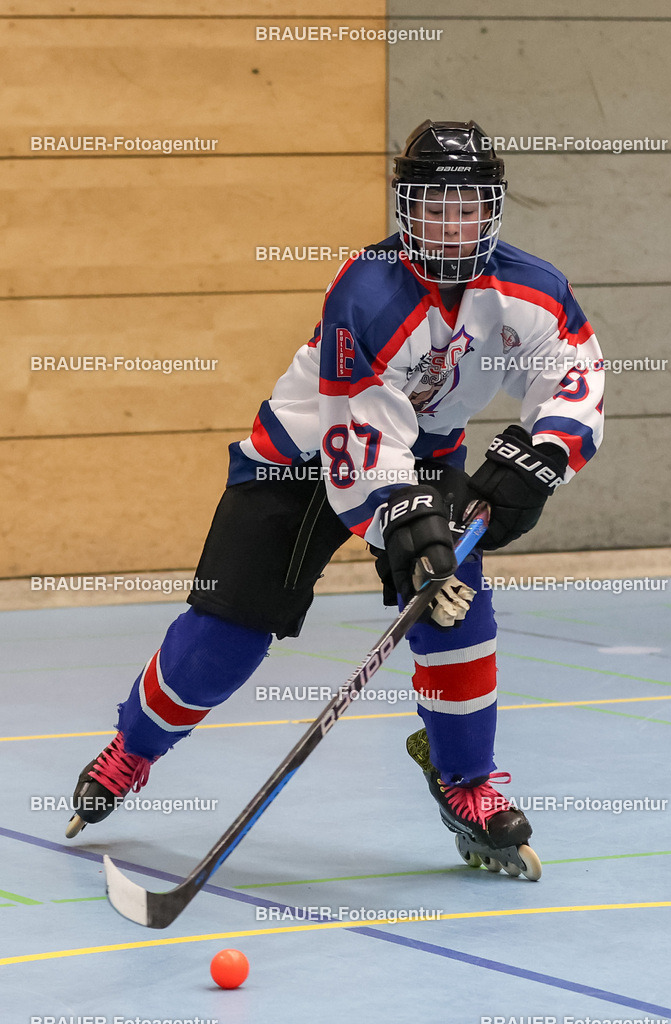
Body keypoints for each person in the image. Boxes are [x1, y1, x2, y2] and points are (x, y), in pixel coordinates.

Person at [66, 120, 604, 879]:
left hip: (421, 452)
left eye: (469, 205)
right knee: (226, 636)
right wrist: (403, 522)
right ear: (406, 207)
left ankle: (465, 780)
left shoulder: (531, 289)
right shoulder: (367, 292)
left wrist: (538, 459)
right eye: (435, 205)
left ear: (494, 208)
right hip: (299, 456)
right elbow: (353, 441)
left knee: (456, 608)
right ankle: (133, 749)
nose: (452, 224)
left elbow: (575, 380)